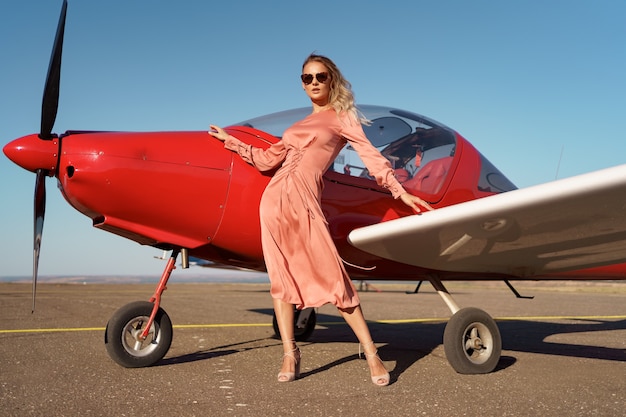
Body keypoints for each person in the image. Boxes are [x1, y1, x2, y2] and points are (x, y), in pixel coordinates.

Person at [209, 54, 433, 386]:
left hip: (305, 202)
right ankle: (290, 352)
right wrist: (230, 141)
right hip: (273, 202)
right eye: (307, 78)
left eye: (320, 76)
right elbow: (267, 161)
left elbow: (370, 154)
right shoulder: (296, 127)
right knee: (281, 280)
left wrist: (398, 191)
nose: (313, 82)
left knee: (334, 279)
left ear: (332, 80)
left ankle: (371, 353)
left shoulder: (341, 118)